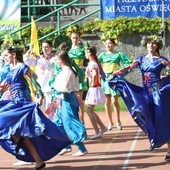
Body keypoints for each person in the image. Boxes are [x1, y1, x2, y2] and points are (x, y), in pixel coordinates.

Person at [0, 47, 71, 169]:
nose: (4, 58)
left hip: (22, 103)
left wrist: (39, 96)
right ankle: (38, 161)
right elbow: (4, 86)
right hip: (14, 103)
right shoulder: (11, 70)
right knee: (22, 134)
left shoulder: (23, 68)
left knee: (5, 122)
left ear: (13, 55)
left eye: (6, 56)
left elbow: (32, 82)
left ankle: (21, 143)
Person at [108, 34, 170, 162]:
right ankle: (154, 139)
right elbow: (129, 68)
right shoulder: (141, 59)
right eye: (149, 43)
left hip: (158, 95)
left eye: (153, 43)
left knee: (163, 121)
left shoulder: (162, 59)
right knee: (145, 116)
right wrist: (115, 74)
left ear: (157, 45)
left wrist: (166, 69)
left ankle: (169, 151)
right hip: (146, 93)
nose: (151, 45)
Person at [47, 50, 88, 156]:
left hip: (67, 100)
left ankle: (81, 148)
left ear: (60, 60)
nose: (56, 62)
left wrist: (55, 86)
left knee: (70, 123)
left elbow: (65, 88)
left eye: (56, 59)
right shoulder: (66, 71)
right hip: (61, 100)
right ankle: (66, 146)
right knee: (58, 123)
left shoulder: (69, 71)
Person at [98, 31, 132, 131]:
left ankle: (118, 121)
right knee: (107, 102)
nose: (108, 45)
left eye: (110, 43)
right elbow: (95, 63)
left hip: (114, 79)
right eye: (107, 43)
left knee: (114, 101)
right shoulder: (103, 55)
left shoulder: (118, 54)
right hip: (105, 80)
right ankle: (110, 122)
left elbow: (128, 63)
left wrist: (119, 72)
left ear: (114, 44)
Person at [23, 40, 55, 112]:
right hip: (39, 88)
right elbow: (26, 62)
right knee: (38, 109)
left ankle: (50, 123)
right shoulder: (39, 58)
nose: (44, 49)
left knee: (50, 110)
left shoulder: (54, 59)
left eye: (47, 47)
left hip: (49, 88)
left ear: (51, 48)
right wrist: (29, 51)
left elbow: (49, 67)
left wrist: (38, 58)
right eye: (43, 47)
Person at [84, 43, 107, 139]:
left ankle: (97, 131)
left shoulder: (92, 63)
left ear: (89, 53)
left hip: (94, 88)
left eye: (85, 52)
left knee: (89, 111)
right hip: (95, 88)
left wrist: (92, 83)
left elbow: (94, 74)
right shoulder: (93, 63)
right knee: (90, 110)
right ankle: (102, 127)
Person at [67, 24, 87, 124]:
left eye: (76, 38)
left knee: (79, 98)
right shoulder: (68, 50)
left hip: (80, 74)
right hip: (70, 75)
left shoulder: (83, 48)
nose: (75, 39)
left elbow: (88, 60)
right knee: (72, 98)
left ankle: (82, 118)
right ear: (70, 38)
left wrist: (84, 67)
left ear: (79, 38)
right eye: (73, 38)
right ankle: (75, 119)